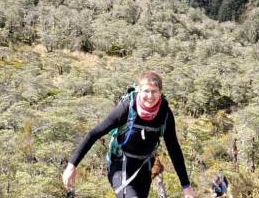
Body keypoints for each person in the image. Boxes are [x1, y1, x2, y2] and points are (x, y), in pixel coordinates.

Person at [62, 71, 196, 198]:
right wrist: (72, 165)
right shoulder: (127, 107)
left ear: (160, 92)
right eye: (146, 91)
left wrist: (186, 186)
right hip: (120, 164)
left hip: (144, 168)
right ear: (139, 90)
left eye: (154, 91)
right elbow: (94, 134)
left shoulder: (165, 114)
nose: (150, 96)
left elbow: (174, 149)